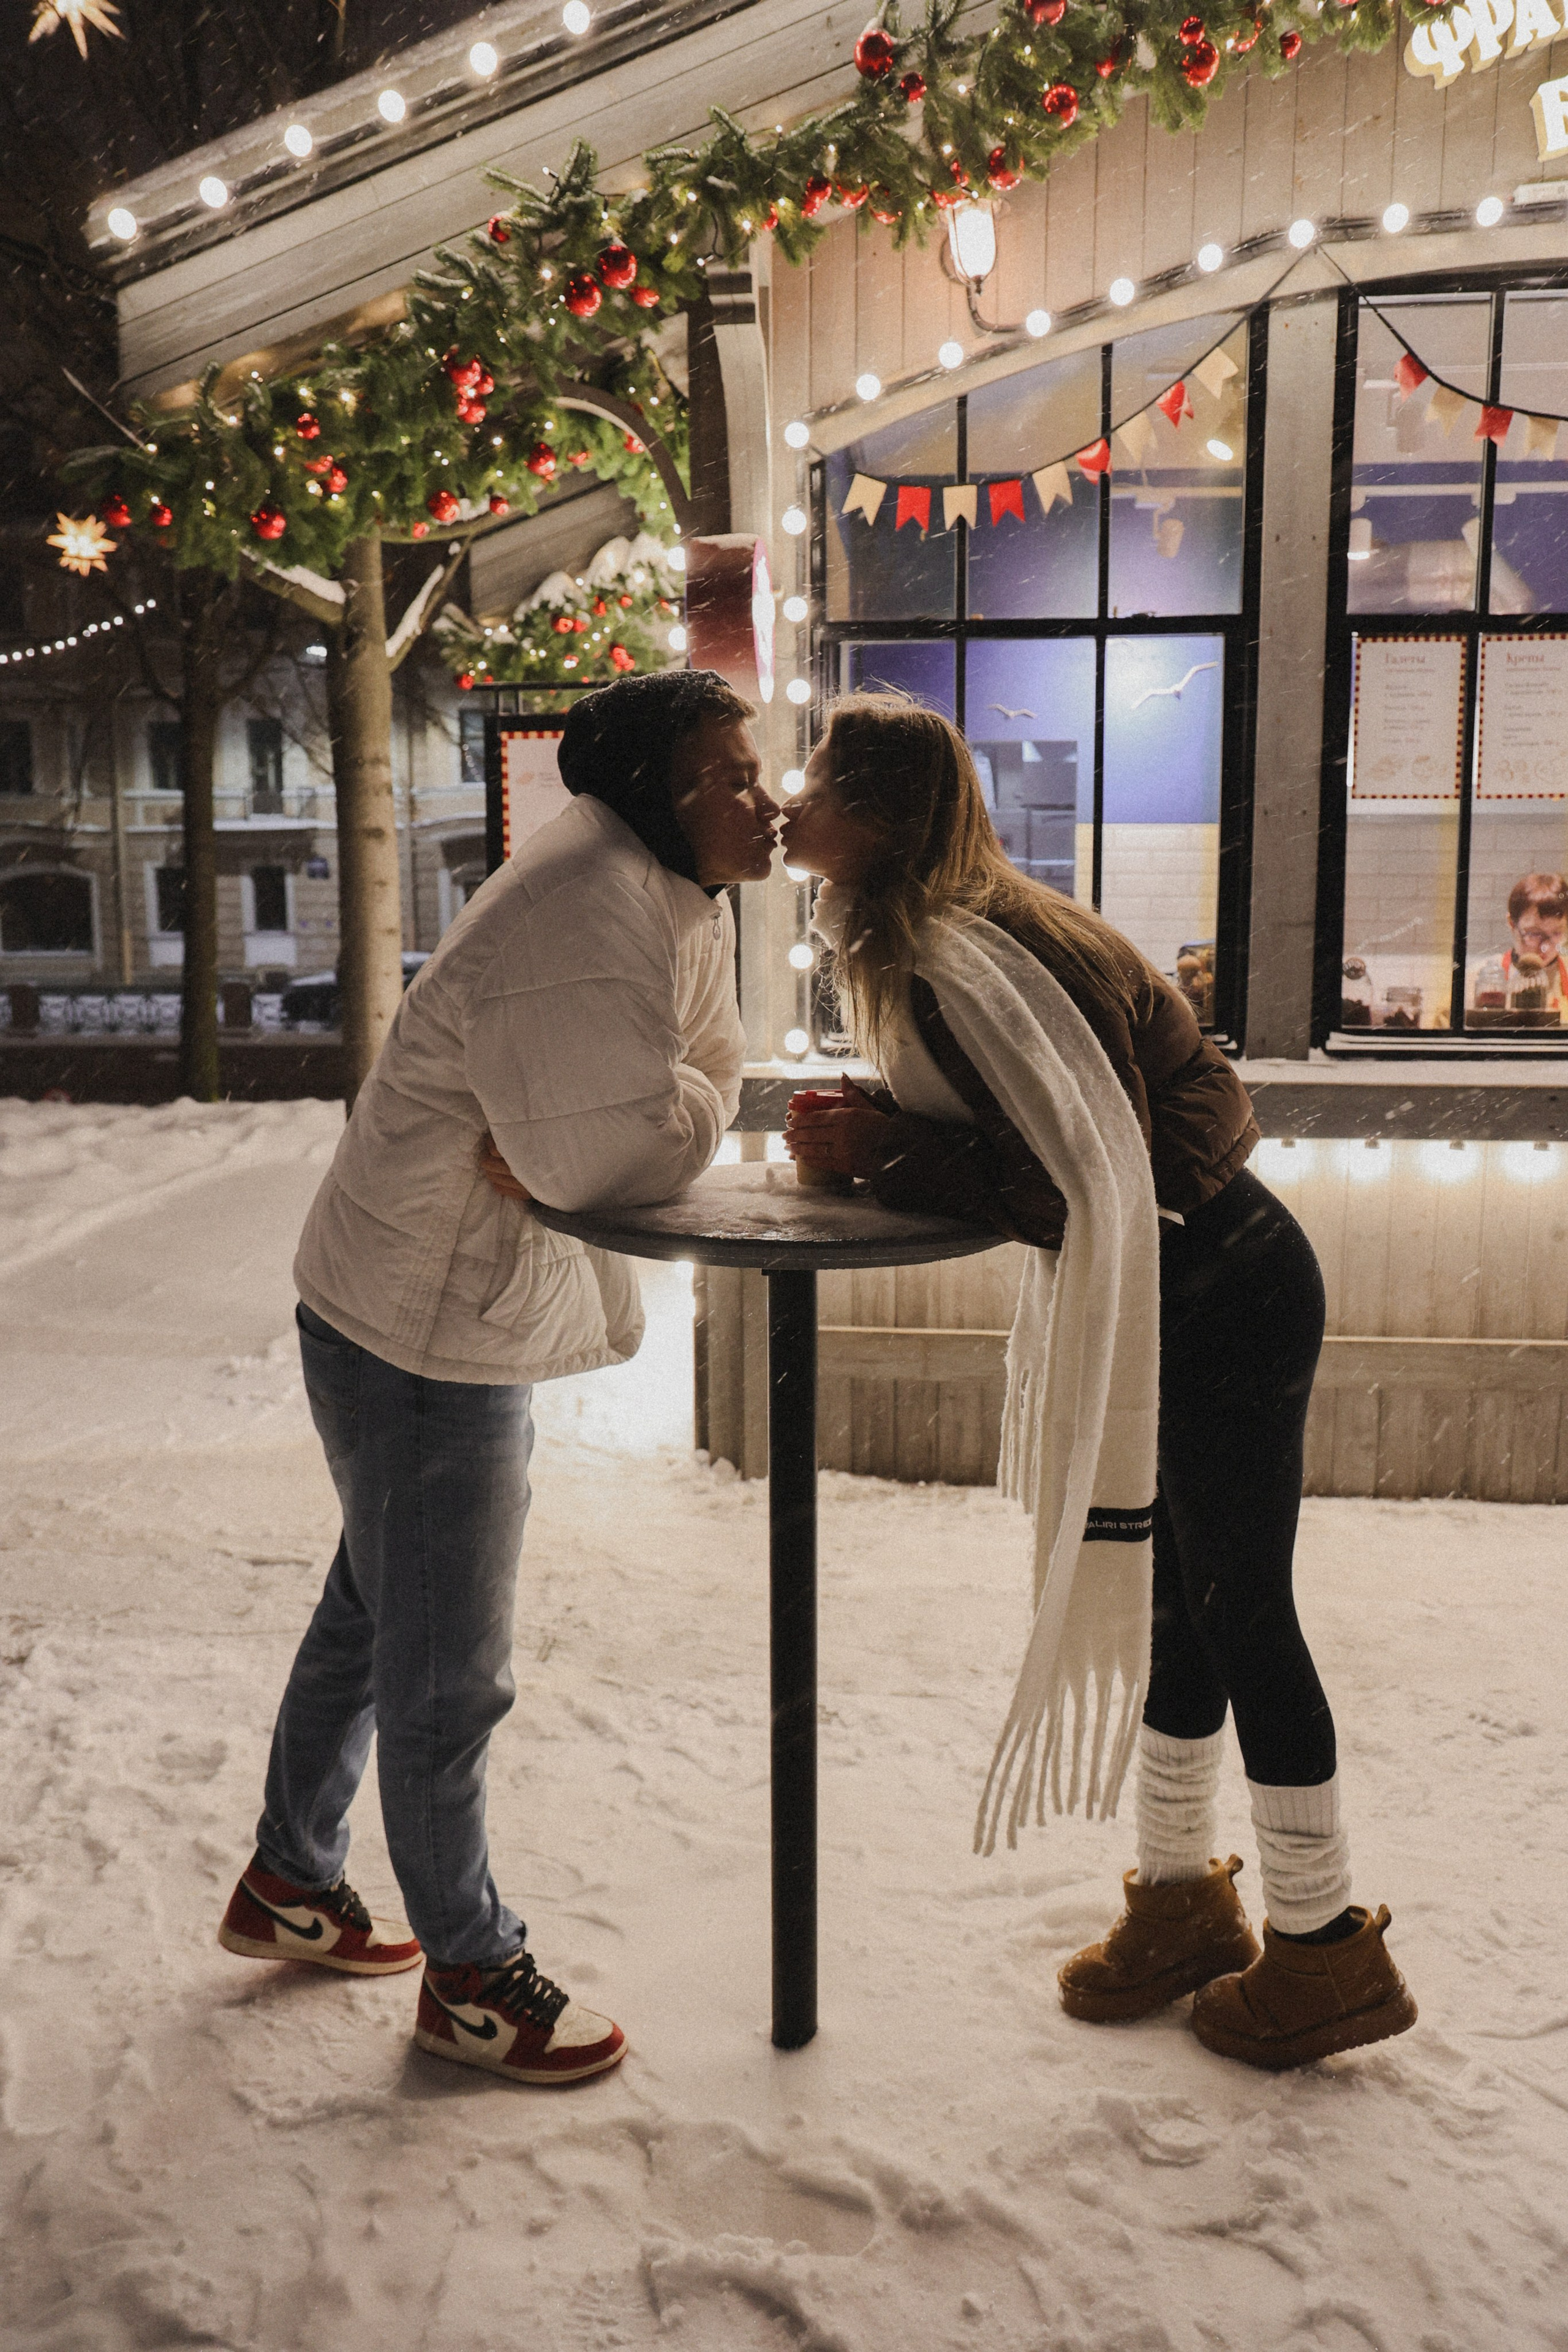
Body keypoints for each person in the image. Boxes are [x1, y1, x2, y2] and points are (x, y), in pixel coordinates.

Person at [780, 694, 1416, 2073]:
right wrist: (886, 1129)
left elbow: (1100, 1172)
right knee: (1175, 1611)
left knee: (1240, 1612)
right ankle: (1183, 1901)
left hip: (1223, 1294)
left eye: (815, 780)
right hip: (1185, 1291)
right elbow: (1091, 1134)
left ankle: (1323, 1952)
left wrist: (878, 1157)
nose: (789, 799)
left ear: (879, 820)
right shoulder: (940, 938)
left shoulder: (972, 954)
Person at [217, 669, 778, 2086]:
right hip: (416, 1327)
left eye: (753, 765)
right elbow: (614, 1156)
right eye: (727, 773)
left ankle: (292, 1879)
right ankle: (470, 1977)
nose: (762, 795)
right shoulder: (591, 911)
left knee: (375, 1607)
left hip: (401, 1301)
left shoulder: (661, 886)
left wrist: (678, 1101)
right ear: (655, 791)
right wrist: (674, 1107)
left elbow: (689, 1082)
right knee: (444, 1672)